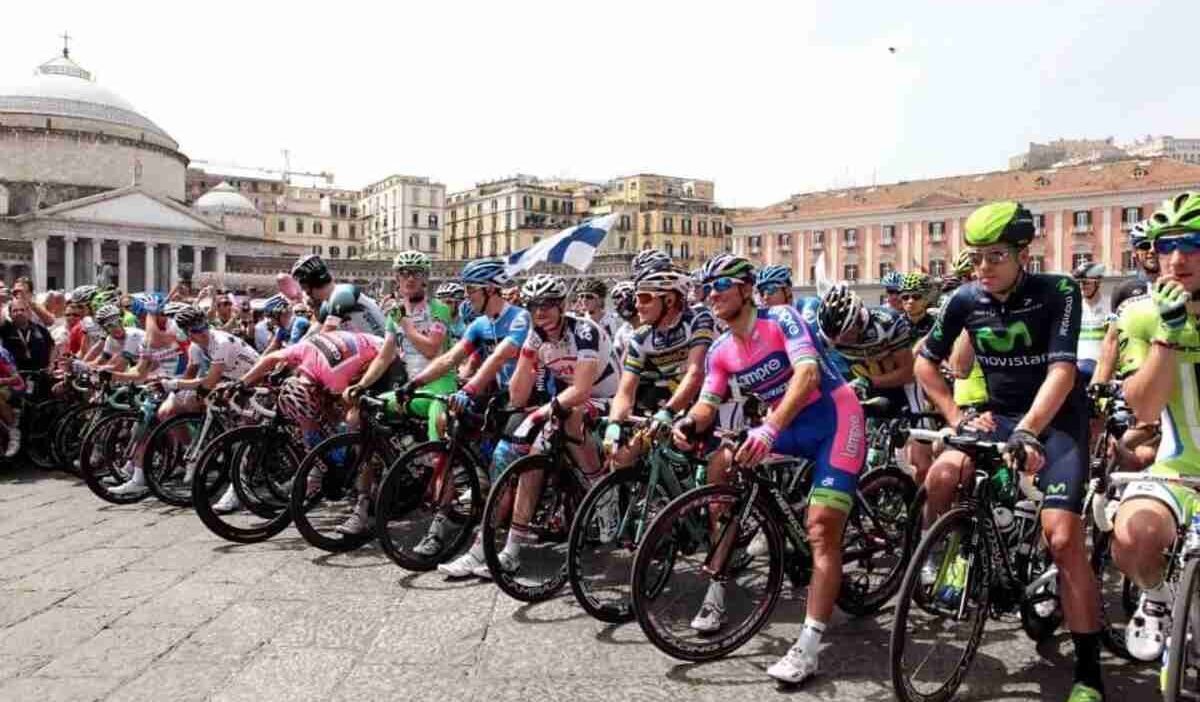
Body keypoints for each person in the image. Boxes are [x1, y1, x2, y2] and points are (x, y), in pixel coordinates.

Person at [914, 201, 1102, 702]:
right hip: (997, 415)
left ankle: (1088, 673)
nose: (983, 268)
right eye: (976, 258)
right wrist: (956, 418)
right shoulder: (963, 299)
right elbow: (925, 366)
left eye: (995, 256)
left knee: (1062, 540)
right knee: (942, 476)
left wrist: (1030, 431)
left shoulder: (1057, 291)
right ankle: (955, 564)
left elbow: (1062, 371)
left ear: (1023, 252)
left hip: (1057, 416)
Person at [672, 253, 864, 685]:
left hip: (834, 420)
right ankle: (717, 587)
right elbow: (708, 403)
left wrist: (770, 427)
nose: (712, 295)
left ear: (744, 288)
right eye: (706, 289)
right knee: (720, 467)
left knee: (821, 528)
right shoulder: (721, 349)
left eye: (720, 285)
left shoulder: (781, 318)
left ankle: (810, 647)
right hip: (789, 426)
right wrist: (686, 422)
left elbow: (808, 375)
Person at [1110, 192, 1200, 668]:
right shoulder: (1141, 313)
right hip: (1179, 462)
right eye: (1167, 246)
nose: (1178, 258)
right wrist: (1171, 335)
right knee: (1131, 536)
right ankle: (1157, 596)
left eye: (1193, 243)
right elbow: (1145, 406)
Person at [497, 274, 620, 574]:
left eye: (549, 304)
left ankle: (603, 492)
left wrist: (540, 414)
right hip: (573, 398)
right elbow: (517, 395)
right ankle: (513, 546)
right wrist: (527, 352)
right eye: (533, 305)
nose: (541, 312)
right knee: (533, 459)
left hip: (607, 398)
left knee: (570, 415)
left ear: (562, 305)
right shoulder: (536, 335)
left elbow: (580, 389)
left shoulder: (584, 330)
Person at [605, 266, 711, 467]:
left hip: (710, 400)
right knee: (622, 458)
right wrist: (614, 423)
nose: (637, 306)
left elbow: (695, 373)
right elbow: (625, 391)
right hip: (675, 402)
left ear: (669, 300)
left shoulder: (699, 318)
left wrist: (668, 413)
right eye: (636, 298)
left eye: (644, 298)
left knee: (710, 467)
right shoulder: (640, 337)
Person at [289, 254, 387, 337]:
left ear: (314, 283)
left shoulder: (341, 294)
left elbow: (323, 337)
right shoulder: (327, 304)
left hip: (386, 354)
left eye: (305, 288)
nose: (305, 293)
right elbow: (311, 335)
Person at [1073, 261, 1108, 384]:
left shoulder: (1109, 307)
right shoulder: (1073, 308)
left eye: (1086, 282)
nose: (1082, 286)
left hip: (1101, 369)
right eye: (1079, 283)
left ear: (1098, 282)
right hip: (1077, 368)